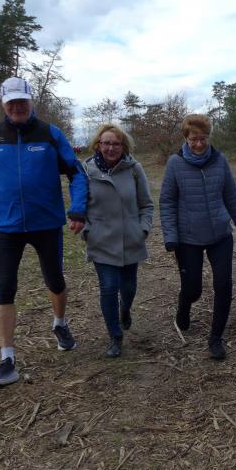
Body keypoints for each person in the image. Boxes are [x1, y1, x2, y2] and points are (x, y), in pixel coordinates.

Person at [0, 77, 88, 387]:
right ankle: (7, 360)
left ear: (31, 101)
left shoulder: (50, 134)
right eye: (12, 102)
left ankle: (60, 323)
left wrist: (78, 209)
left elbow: (76, 173)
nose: (17, 107)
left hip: (46, 224)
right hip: (5, 226)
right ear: (3, 104)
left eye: (22, 101)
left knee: (55, 281)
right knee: (3, 288)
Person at [160, 114, 236, 360]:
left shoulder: (220, 161)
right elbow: (167, 201)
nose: (199, 144)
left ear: (209, 137)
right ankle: (184, 304)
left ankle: (215, 338)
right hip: (188, 238)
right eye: (193, 139)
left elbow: (231, 195)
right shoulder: (175, 164)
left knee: (223, 285)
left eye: (203, 138)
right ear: (186, 139)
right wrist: (170, 235)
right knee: (193, 290)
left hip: (220, 235)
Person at [82, 124, 153, 358]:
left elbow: (146, 204)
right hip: (100, 241)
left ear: (124, 147)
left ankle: (125, 309)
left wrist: (143, 229)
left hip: (130, 239)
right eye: (106, 143)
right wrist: (87, 231)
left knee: (128, 287)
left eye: (116, 144)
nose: (111, 148)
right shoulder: (86, 171)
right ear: (98, 145)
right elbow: (79, 205)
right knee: (109, 287)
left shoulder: (134, 169)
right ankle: (115, 336)